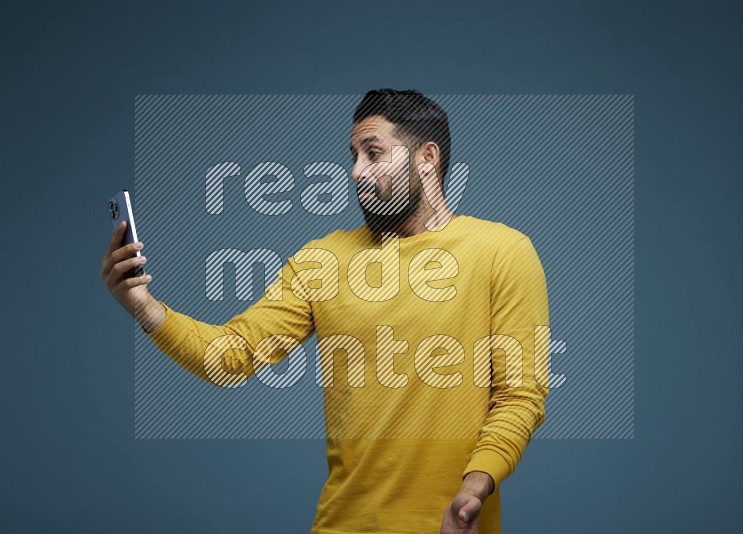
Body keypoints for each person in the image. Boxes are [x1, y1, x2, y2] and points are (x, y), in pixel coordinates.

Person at [101, 89, 550, 533]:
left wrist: (476, 487)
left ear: (427, 158)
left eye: (373, 153)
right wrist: (144, 307)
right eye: (353, 155)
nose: (356, 171)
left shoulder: (502, 252)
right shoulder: (322, 260)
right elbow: (231, 356)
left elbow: (520, 395)